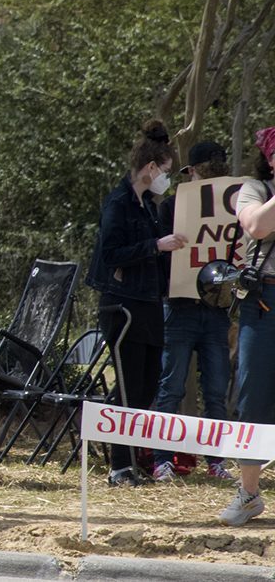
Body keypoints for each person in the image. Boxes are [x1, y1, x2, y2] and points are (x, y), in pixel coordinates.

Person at [86, 124, 184, 487]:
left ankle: (134, 458)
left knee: (145, 386)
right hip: (122, 307)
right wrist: (155, 246)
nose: (167, 180)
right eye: (166, 172)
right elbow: (110, 254)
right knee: (127, 386)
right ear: (151, 168)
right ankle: (119, 465)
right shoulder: (119, 203)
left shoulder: (148, 207)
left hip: (148, 304)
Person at [151, 140, 235, 482]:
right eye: (205, 169)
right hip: (180, 308)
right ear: (192, 171)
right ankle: (161, 460)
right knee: (171, 387)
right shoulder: (172, 207)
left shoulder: (235, 207)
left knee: (216, 391)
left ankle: (216, 461)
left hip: (216, 310)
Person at [218, 126, 275, 526]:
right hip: (265, 302)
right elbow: (255, 226)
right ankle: (250, 493)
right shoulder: (253, 189)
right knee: (253, 397)